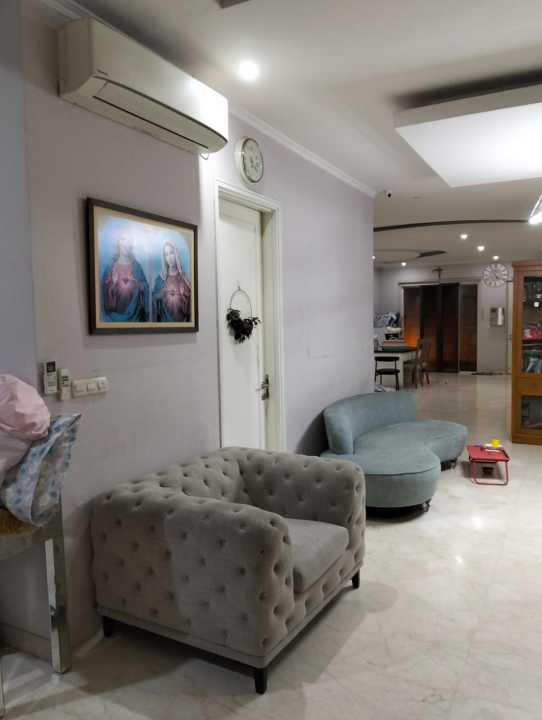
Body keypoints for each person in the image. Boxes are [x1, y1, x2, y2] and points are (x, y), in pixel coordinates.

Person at [101, 232, 149, 322]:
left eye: (129, 241)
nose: (126, 244)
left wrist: (139, 285)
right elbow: (104, 296)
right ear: (119, 243)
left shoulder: (137, 267)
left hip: (135, 317)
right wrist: (113, 284)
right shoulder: (110, 267)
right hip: (113, 318)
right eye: (123, 240)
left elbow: (146, 288)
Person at [152, 240, 192, 322]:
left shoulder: (184, 279)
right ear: (164, 258)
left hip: (182, 323)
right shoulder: (160, 279)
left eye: (171, 253)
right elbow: (154, 300)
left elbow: (190, 306)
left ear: (176, 254)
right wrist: (162, 294)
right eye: (166, 254)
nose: (169, 258)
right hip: (164, 322)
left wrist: (184, 296)